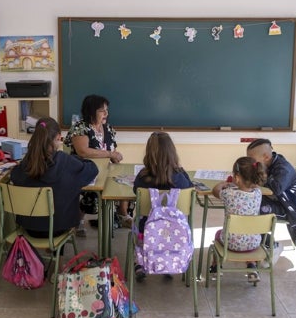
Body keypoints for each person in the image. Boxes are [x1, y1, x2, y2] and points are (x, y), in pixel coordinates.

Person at [10, 117, 98, 238]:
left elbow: (14, 175)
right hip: (59, 227)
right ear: (58, 137)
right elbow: (92, 170)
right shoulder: (65, 161)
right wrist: (79, 159)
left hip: (27, 227)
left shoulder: (26, 163)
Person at [64, 94, 132, 236]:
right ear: (91, 111)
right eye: (102, 110)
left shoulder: (108, 128)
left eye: (107, 110)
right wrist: (110, 154)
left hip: (105, 169)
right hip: (82, 170)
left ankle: (123, 214)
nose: (106, 113)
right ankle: (78, 221)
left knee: (126, 180)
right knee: (91, 190)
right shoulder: (80, 127)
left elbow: (111, 150)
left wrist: (115, 157)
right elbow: (83, 152)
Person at [132, 131, 193, 281]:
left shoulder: (142, 177)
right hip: (174, 234)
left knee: (137, 224)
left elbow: (135, 192)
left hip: (146, 232)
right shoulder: (181, 176)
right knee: (169, 231)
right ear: (172, 152)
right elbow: (190, 192)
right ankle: (168, 262)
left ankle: (140, 264)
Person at [209, 156, 267, 283]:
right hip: (253, 243)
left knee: (218, 234)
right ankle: (251, 266)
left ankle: (215, 266)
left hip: (231, 244)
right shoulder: (258, 194)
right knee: (247, 231)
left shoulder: (229, 194)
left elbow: (215, 191)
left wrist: (224, 184)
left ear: (237, 178)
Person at [246, 138, 296, 246]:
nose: (249, 162)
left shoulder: (283, 169)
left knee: (251, 207)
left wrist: (262, 174)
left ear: (266, 157)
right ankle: (254, 239)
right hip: (277, 200)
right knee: (247, 201)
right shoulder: (269, 162)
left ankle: (266, 244)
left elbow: (276, 189)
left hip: (288, 207)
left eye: (251, 158)